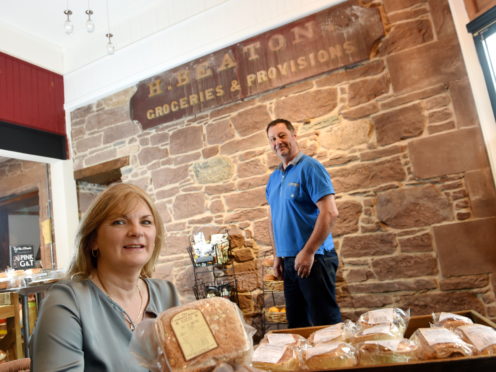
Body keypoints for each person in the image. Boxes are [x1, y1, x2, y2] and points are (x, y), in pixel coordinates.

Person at [30, 183, 180, 371]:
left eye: (146, 222)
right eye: (119, 221)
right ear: (93, 240)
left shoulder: (167, 293)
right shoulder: (67, 302)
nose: (137, 231)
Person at [265, 118, 341, 328]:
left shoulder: (310, 168)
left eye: (282, 135)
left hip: (314, 259)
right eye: (272, 139)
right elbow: (273, 218)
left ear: (293, 135)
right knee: (297, 327)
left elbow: (330, 212)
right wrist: (277, 255)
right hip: (289, 261)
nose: (278, 142)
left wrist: (308, 252)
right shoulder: (274, 178)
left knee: (324, 326)